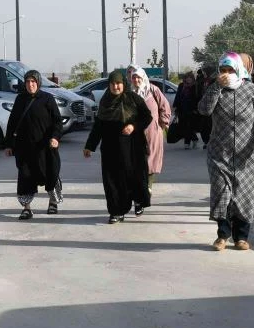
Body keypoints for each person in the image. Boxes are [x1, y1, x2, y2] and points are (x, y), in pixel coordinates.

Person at [198, 53, 254, 251]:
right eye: (223, 70)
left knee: (244, 193)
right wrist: (216, 87)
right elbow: (204, 110)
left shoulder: (252, 90)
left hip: (247, 153)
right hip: (219, 152)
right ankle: (222, 235)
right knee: (221, 192)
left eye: (230, 70)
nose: (226, 74)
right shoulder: (215, 89)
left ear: (239, 70)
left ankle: (241, 237)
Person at [83, 70, 152, 223]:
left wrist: (133, 126)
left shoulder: (133, 98)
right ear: (109, 85)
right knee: (112, 180)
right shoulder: (105, 101)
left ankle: (138, 201)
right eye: (112, 84)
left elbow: (147, 117)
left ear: (123, 84)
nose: (116, 86)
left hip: (133, 146)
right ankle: (116, 211)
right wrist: (90, 146)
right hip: (111, 148)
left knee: (134, 176)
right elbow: (98, 126)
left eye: (118, 83)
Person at [5, 70, 63, 219]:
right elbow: (12, 122)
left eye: (33, 82)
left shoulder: (47, 98)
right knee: (25, 177)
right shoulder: (20, 99)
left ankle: (53, 202)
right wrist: (9, 144)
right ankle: (27, 208)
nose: (30, 85)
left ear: (38, 82)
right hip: (24, 148)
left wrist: (55, 137)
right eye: (27, 82)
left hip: (45, 147)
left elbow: (57, 121)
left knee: (50, 174)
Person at [129, 66, 171, 195]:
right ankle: (140, 185)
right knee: (136, 158)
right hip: (135, 131)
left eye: (138, 77)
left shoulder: (153, 90)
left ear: (143, 78)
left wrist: (163, 122)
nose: (136, 80)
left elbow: (164, 106)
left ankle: (148, 186)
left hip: (152, 130)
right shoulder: (130, 93)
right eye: (134, 77)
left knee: (151, 157)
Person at [174, 71, 200, 149]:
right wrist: (175, 106)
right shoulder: (181, 85)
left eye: (190, 78)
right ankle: (194, 139)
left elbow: (198, 98)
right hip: (182, 109)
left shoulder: (195, 86)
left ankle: (187, 143)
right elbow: (178, 96)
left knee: (189, 126)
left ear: (192, 78)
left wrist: (196, 109)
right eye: (187, 78)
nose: (188, 79)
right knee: (183, 126)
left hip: (192, 110)